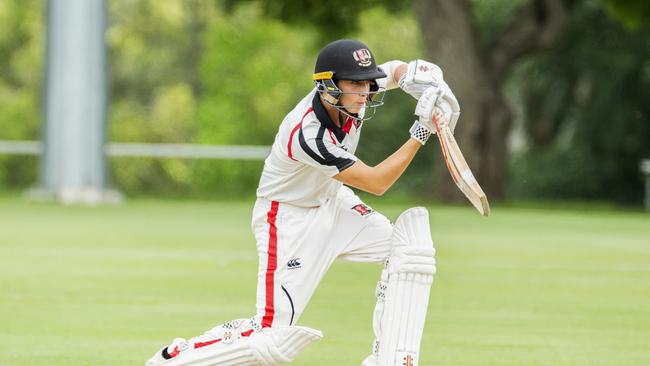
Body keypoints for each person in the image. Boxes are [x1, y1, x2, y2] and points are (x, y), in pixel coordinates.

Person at [146, 39, 460, 366]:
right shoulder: (309, 135)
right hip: (287, 219)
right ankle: (174, 359)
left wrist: (419, 76)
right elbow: (377, 182)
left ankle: (390, 360)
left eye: (367, 82)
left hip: (333, 201)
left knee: (409, 249)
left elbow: (392, 72)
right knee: (271, 338)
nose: (365, 91)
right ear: (327, 87)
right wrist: (421, 131)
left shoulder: (353, 93)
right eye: (355, 83)